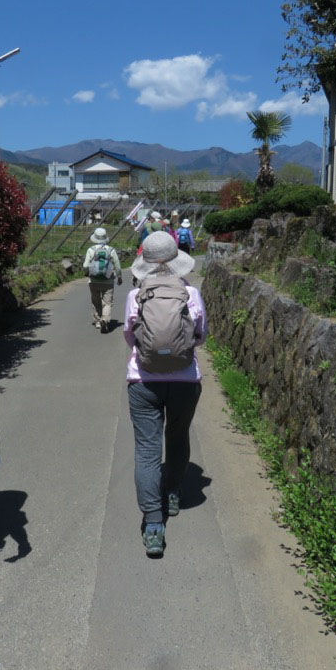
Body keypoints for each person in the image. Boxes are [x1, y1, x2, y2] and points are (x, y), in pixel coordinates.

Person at [123, 231, 207, 558]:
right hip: (186, 380)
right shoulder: (192, 293)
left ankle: (154, 525)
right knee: (178, 435)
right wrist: (178, 351)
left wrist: (150, 354)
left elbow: (130, 337)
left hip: (143, 381)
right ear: (176, 259)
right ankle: (172, 492)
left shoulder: (135, 295)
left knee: (147, 450)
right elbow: (200, 336)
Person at [82, 226, 123, 332]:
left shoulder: (91, 250)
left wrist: (87, 273)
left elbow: (86, 265)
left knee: (96, 301)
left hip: (94, 281)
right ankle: (105, 319)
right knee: (107, 302)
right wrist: (119, 276)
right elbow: (117, 265)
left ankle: (98, 321)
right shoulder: (111, 250)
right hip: (108, 280)